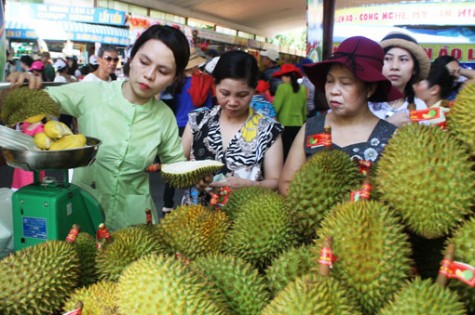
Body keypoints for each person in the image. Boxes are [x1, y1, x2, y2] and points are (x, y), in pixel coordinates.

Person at [7, 25, 191, 231]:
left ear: (174, 78)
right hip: (83, 211)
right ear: (131, 57)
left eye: (163, 71)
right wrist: (16, 88)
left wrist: (198, 176)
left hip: (135, 223)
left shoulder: (164, 116)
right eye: (144, 62)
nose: (149, 75)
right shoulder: (91, 93)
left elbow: (176, 167)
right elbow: (30, 104)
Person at [278, 36, 402, 195]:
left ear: (370, 89)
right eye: (330, 81)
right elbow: (286, 182)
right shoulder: (311, 127)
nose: (334, 91)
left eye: (345, 83)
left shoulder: (390, 138)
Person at [182, 50, 284, 197]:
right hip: (193, 215)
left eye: (242, 95)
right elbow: (178, 165)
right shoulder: (197, 121)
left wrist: (252, 186)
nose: (232, 102)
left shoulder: (268, 130)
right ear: (215, 86)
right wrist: (193, 176)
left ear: (254, 90)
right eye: (225, 93)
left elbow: (275, 181)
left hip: (245, 215)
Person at [161, 47, 214, 214]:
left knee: (173, 165)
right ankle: (199, 203)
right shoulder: (205, 82)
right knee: (199, 167)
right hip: (198, 127)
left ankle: (167, 204)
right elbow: (210, 108)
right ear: (194, 66)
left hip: (177, 126)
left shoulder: (175, 83)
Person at [369, 32, 430, 127]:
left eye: (403, 60)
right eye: (388, 59)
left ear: (414, 69)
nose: (395, 66)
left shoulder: (420, 107)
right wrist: (387, 125)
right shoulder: (364, 103)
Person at [272, 63, 308, 160]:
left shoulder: (282, 88)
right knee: (296, 151)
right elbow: (304, 109)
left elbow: (276, 107)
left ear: (287, 77)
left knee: (284, 151)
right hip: (298, 124)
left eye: (282, 76)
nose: (281, 79)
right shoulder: (303, 89)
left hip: (284, 123)